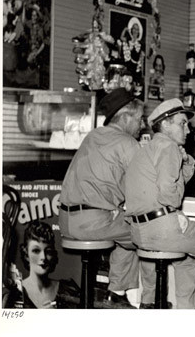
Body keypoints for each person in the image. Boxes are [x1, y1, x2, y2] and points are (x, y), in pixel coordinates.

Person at [124, 98, 195, 309]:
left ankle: (172, 309)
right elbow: (169, 196)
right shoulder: (168, 147)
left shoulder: (145, 149)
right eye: (182, 123)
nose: (188, 129)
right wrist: (174, 213)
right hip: (164, 230)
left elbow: (168, 185)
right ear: (165, 124)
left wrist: (186, 162)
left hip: (139, 233)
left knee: (188, 261)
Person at [59, 88, 146, 309]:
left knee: (126, 225)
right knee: (145, 231)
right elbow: (144, 192)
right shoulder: (128, 144)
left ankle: (115, 292)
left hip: (65, 221)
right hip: (92, 224)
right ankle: (121, 294)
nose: (143, 125)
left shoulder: (93, 136)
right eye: (139, 119)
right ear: (126, 117)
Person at [4, 221, 79, 309]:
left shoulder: (68, 290)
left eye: (48, 251)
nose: (43, 257)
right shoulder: (14, 294)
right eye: (36, 251)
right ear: (26, 254)